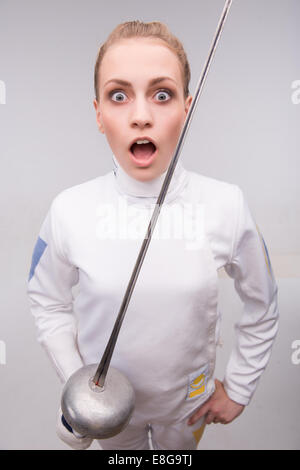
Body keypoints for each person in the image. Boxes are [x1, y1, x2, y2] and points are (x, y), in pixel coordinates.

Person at [27, 21, 279, 450]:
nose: (141, 115)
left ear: (186, 107)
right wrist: (79, 385)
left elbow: (263, 301)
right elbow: (47, 300)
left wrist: (238, 386)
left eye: (162, 95)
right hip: (107, 412)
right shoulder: (69, 209)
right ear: (98, 114)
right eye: (118, 95)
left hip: (187, 409)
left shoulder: (225, 204)